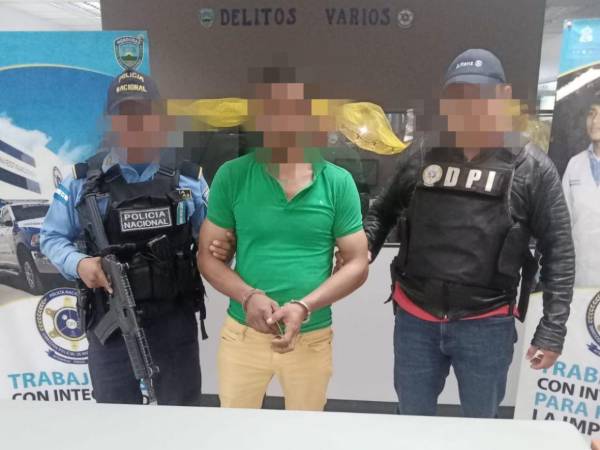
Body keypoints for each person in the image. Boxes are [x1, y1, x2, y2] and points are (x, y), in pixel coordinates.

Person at [360, 49, 575, 418]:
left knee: (481, 430)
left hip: (486, 324)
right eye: (458, 96)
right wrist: (363, 249)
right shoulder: (423, 153)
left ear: (503, 96)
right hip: (416, 320)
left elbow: (559, 251)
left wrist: (552, 329)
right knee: (410, 426)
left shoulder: (531, 167)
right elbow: (382, 211)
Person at [40, 69, 233, 405]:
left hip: (173, 321)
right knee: (116, 419)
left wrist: (223, 247)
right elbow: (52, 237)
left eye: (144, 114)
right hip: (111, 321)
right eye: (125, 115)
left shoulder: (188, 180)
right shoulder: (82, 182)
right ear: (111, 121)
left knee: (182, 416)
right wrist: (80, 264)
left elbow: (211, 242)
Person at [198, 67, 369, 411]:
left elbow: (357, 263)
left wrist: (304, 307)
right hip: (243, 335)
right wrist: (247, 296)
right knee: (235, 432)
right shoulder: (233, 175)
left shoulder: (338, 182)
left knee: (304, 434)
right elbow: (207, 256)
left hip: (311, 336)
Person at [562, 91, 600, 287]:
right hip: (580, 278)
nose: (595, 121)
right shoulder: (574, 165)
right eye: (592, 113)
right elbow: (562, 225)